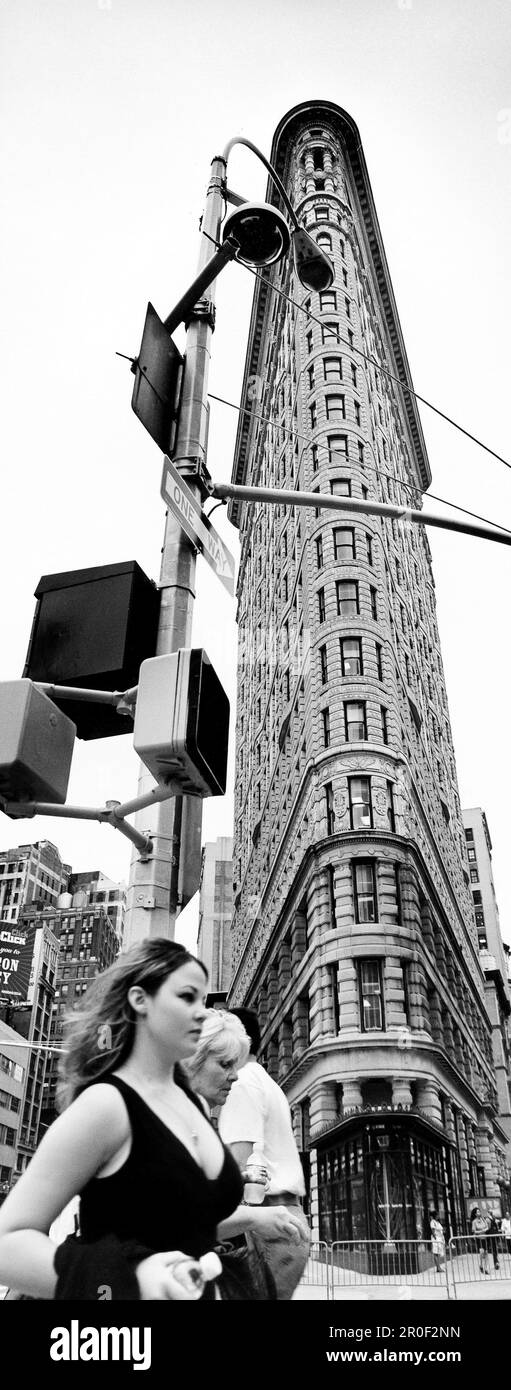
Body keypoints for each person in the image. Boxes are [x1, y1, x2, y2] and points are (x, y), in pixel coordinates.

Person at [0, 938, 243, 1301]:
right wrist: (129, 1278)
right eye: (187, 997)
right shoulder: (107, 1104)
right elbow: (6, 1244)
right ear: (140, 1000)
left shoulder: (193, 1104)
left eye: (202, 1000)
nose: (200, 1012)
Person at [182, 1009, 308, 1277]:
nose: (234, 1075)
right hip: (268, 1220)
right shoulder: (174, 1117)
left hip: (268, 1223)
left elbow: (237, 1168)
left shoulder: (243, 1085)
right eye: (226, 1064)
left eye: (234, 1063)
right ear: (192, 1061)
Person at [218, 1005, 310, 1300]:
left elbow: (237, 1165)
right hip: (282, 1221)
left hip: (263, 1225)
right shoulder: (267, 1083)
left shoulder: (241, 1082)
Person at [470, 1206, 491, 1274]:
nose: (479, 1213)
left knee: (486, 1253)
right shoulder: (474, 1222)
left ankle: (486, 1268)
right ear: (475, 1214)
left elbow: (487, 1226)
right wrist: (480, 1231)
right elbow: (474, 1231)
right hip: (479, 1239)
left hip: (485, 1238)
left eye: (479, 1211)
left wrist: (485, 1229)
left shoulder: (483, 1219)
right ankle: (481, 1265)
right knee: (481, 1253)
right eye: (478, 1212)